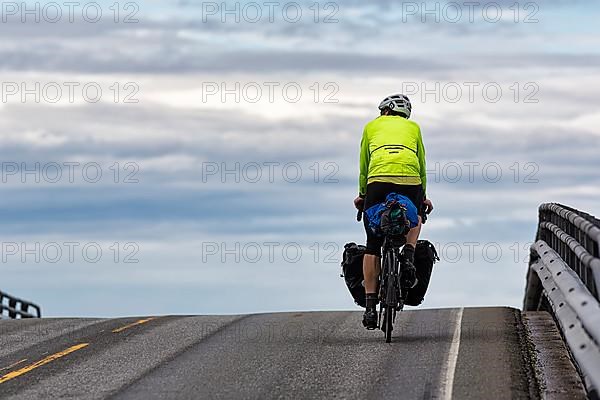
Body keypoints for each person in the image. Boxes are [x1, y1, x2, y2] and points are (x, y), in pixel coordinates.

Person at [353, 94, 433, 330]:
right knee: (416, 214)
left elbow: (364, 165)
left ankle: (370, 308)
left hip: (377, 181)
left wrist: (363, 194)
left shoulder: (370, 127)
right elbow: (422, 164)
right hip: (410, 180)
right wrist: (423, 196)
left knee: (372, 244)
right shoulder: (414, 127)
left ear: (385, 111)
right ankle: (408, 254)